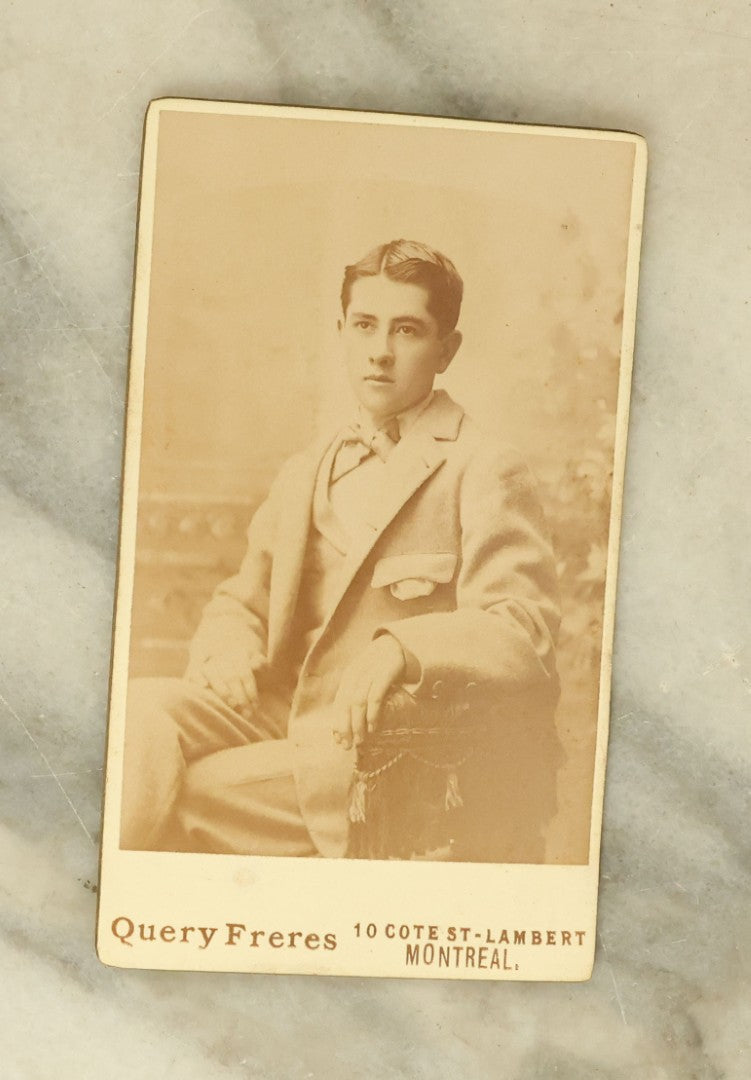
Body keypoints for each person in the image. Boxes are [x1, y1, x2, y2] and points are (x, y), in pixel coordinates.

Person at [121, 239, 561, 862]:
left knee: (192, 793)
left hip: (367, 739)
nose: (380, 352)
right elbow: (240, 601)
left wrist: (404, 652)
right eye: (365, 326)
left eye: (407, 330)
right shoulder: (305, 470)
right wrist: (228, 647)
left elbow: (524, 628)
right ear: (342, 333)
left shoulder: (483, 466)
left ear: (446, 349)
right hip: (277, 710)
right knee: (134, 714)